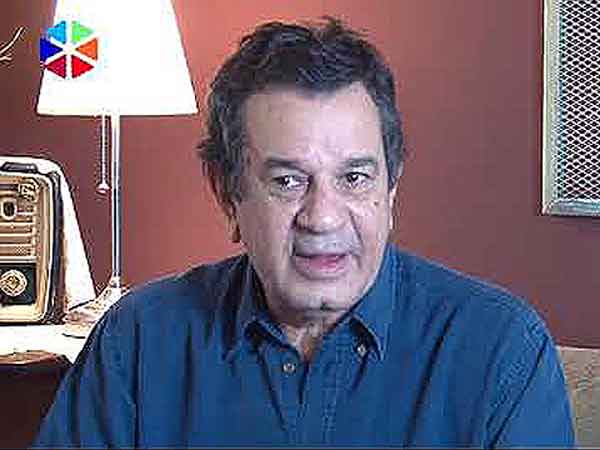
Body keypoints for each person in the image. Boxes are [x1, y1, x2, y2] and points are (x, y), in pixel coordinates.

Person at [33, 17, 575, 448]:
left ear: (391, 190)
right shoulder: (137, 342)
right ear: (227, 193)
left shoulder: (501, 350)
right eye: (288, 181)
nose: (323, 217)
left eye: (354, 178)